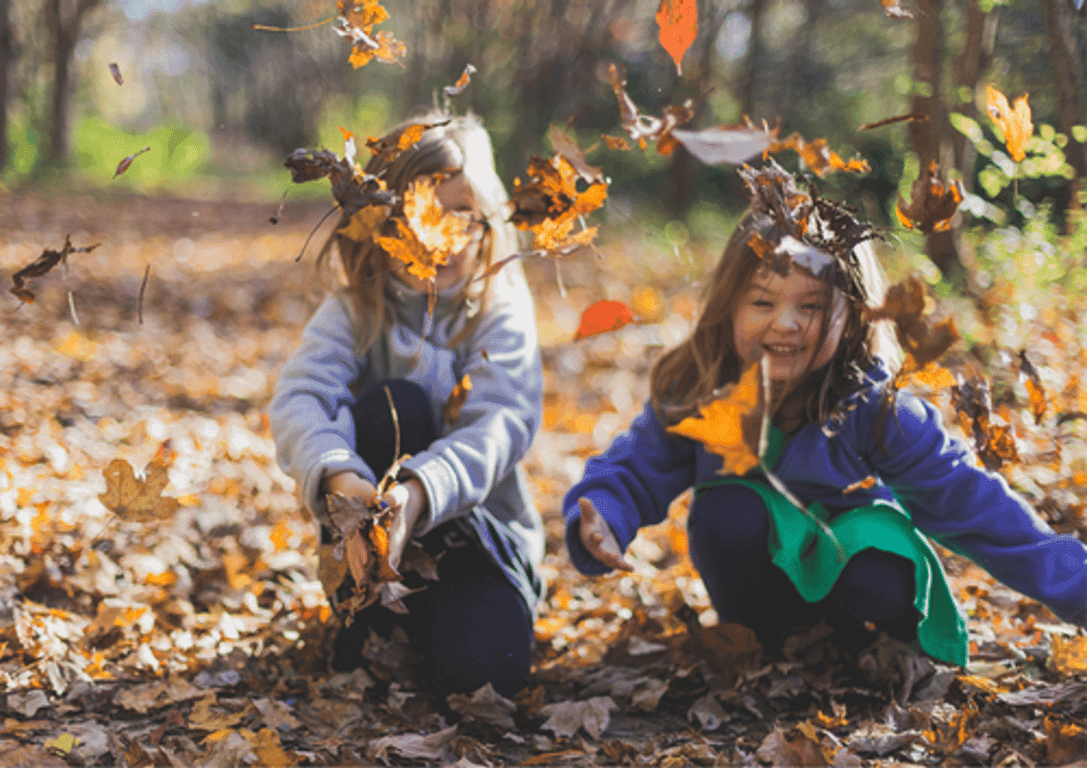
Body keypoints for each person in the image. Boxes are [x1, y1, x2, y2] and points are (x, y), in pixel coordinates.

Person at [563, 162, 1087, 667]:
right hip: (757, 589)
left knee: (876, 559)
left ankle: (866, 649)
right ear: (729, 306)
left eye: (810, 306)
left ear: (854, 317)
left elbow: (974, 505)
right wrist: (606, 515)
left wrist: (1078, 589)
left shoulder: (876, 407)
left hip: (860, 584)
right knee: (728, 513)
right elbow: (635, 469)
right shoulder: (702, 388)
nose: (785, 323)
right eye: (762, 302)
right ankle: (768, 645)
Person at [269, 114, 543, 697]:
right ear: (377, 223)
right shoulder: (355, 310)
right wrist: (341, 477)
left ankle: (459, 622)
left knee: (485, 680)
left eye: (456, 216)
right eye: (414, 215)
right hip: (369, 539)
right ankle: (368, 612)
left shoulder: (498, 313)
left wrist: (416, 496)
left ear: (485, 222)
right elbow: (301, 397)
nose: (435, 237)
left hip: (477, 543)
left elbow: (500, 424)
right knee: (395, 404)